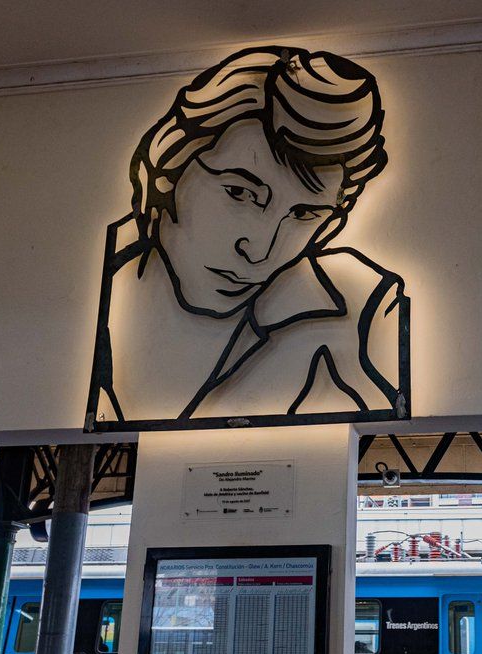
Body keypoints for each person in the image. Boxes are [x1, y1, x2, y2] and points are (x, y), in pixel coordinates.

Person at [87, 45, 409, 427]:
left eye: (303, 214)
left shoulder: (363, 314)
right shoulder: (74, 288)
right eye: (239, 193)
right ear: (165, 174)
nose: (259, 251)